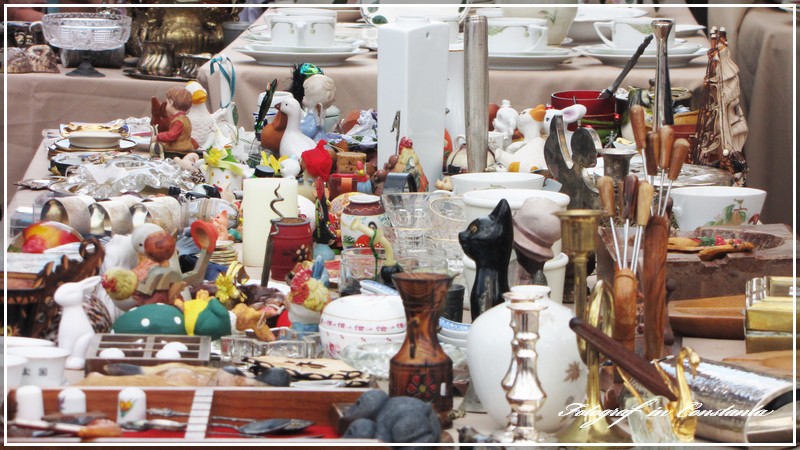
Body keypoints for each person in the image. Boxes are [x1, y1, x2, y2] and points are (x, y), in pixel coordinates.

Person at [156, 86, 197, 156]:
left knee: (157, 148)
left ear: (171, 102)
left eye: (167, 103)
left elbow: (171, 135)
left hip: (178, 151)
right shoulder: (185, 118)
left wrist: (158, 136)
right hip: (185, 148)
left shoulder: (179, 121)